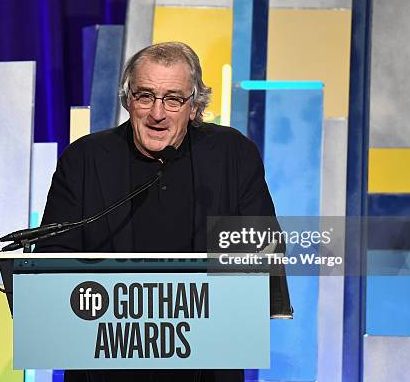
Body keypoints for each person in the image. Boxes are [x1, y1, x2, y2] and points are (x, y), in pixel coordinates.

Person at [40, 41, 292, 382]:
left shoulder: (233, 154)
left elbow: (260, 252)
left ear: (194, 107)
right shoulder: (85, 159)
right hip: (106, 364)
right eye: (145, 96)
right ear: (128, 100)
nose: (157, 113)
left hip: (207, 366)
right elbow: (54, 260)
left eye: (173, 99)